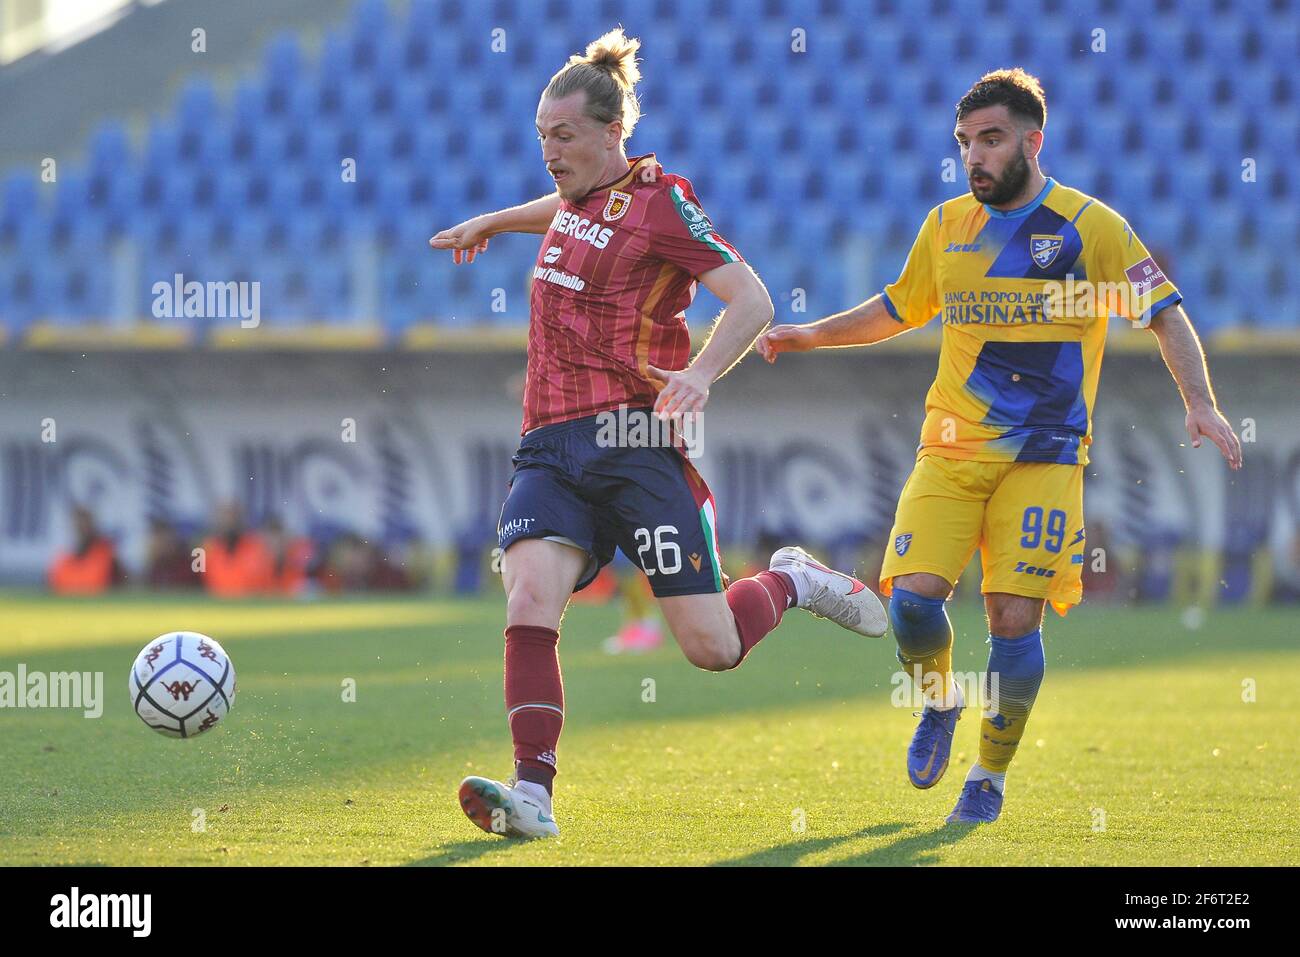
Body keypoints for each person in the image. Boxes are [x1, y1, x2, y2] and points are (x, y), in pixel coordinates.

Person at [430, 28, 885, 839]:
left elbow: (752, 299)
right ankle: (533, 792)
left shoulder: (661, 205)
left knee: (711, 647)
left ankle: (794, 581)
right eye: (541, 137)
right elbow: (563, 216)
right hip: (550, 444)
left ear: (613, 133)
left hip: (636, 445)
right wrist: (492, 222)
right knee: (529, 594)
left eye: (563, 136)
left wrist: (702, 373)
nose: (549, 151)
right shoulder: (576, 199)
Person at [757, 69, 1242, 824]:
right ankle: (942, 701)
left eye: (989, 140)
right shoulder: (947, 226)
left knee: (1014, 618)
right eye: (963, 144)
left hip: (1046, 454)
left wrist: (1201, 403)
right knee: (913, 605)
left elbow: (1164, 313)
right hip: (950, 447)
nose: (973, 157)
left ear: (1031, 141)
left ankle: (988, 774)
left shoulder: (1093, 228)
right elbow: (898, 305)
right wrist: (811, 332)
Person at [48, 506, 122, 595]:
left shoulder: (108, 558)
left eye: (85, 525)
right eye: (78, 525)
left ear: (93, 527)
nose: (81, 529)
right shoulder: (61, 563)